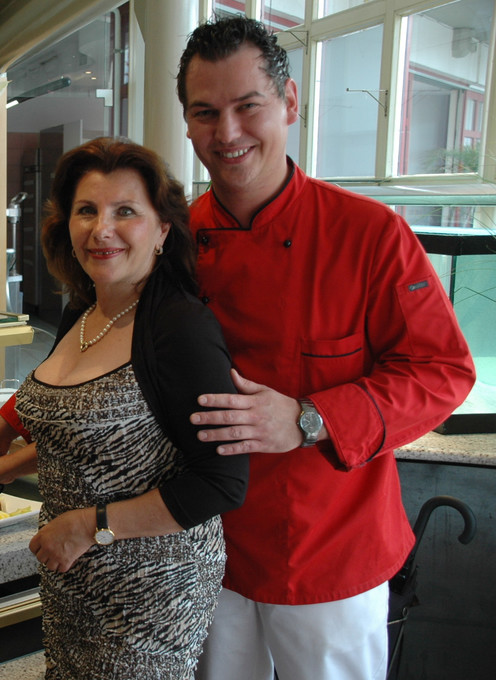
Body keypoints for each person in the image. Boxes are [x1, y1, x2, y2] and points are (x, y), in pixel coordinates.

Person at [174, 16, 476, 680]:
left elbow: (442, 371)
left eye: (247, 106)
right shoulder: (172, 243)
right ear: (188, 124)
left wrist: (309, 418)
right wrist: (15, 424)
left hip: (331, 550)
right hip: (206, 541)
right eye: (206, 113)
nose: (227, 132)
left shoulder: (371, 234)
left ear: (289, 102)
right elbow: (110, 348)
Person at [0, 137, 248, 678]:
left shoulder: (180, 328)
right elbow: (97, 433)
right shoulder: (84, 311)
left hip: (150, 592)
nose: (101, 229)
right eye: (87, 210)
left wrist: (90, 526)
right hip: (72, 578)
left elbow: (222, 482)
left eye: (125, 211)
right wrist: (3, 450)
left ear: (162, 229)